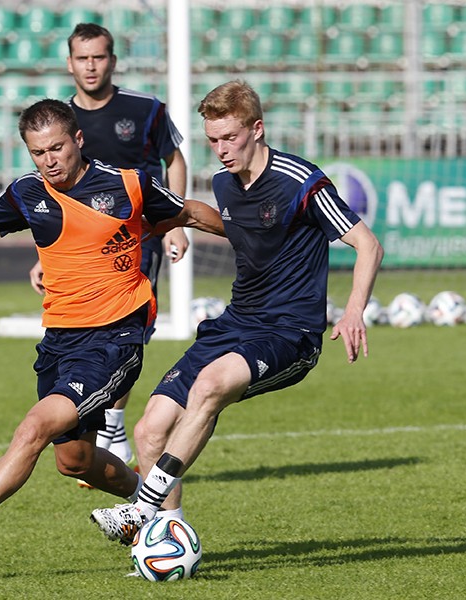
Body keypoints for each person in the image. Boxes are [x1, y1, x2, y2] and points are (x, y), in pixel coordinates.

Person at [0, 99, 224, 560]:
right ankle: (147, 509)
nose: (49, 161)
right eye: (38, 153)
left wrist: (255, 237)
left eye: (57, 148)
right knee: (76, 462)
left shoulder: (127, 184)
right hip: (59, 342)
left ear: (78, 140)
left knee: (34, 427)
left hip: (114, 340)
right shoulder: (28, 193)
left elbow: (188, 212)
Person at [90, 80, 384, 545]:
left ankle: (140, 510)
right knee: (149, 430)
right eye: (213, 140)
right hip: (236, 322)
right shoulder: (225, 183)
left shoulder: (301, 180)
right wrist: (175, 220)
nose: (221, 150)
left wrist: (352, 312)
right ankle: (169, 540)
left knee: (209, 387)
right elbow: (240, 230)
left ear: (257, 128)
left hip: (291, 331)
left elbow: (367, 243)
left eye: (230, 137)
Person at [29, 22, 189, 469]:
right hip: (75, 248)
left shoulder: (144, 109)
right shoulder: (57, 121)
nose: (91, 66)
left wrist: (175, 223)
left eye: (99, 57)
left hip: (135, 237)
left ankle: (113, 425)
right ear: (69, 63)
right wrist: (42, 256)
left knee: (126, 328)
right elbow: (49, 199)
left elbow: (173, 160)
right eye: (82, 58)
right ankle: (98, 432)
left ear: (112, 60)